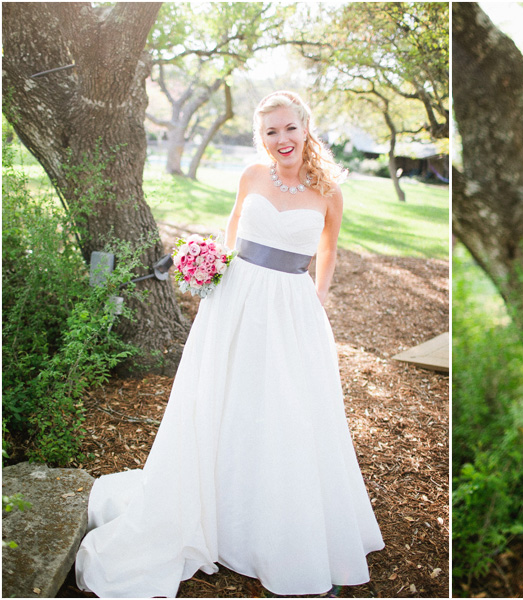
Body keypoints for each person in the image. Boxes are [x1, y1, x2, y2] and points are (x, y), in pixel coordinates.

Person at [75, 91, 384, 597]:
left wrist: (318, 296)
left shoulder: (329, 190)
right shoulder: (252, 176)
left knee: (284, 407)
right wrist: (213, 267)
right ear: (261, 138)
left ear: (306, 128)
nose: (281, 139)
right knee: (224, 398)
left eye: (289, 128)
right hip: (237, 301)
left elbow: (328, 248)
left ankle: (267, 521)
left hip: (291, 306)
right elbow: (234, 225)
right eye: (270, 132)